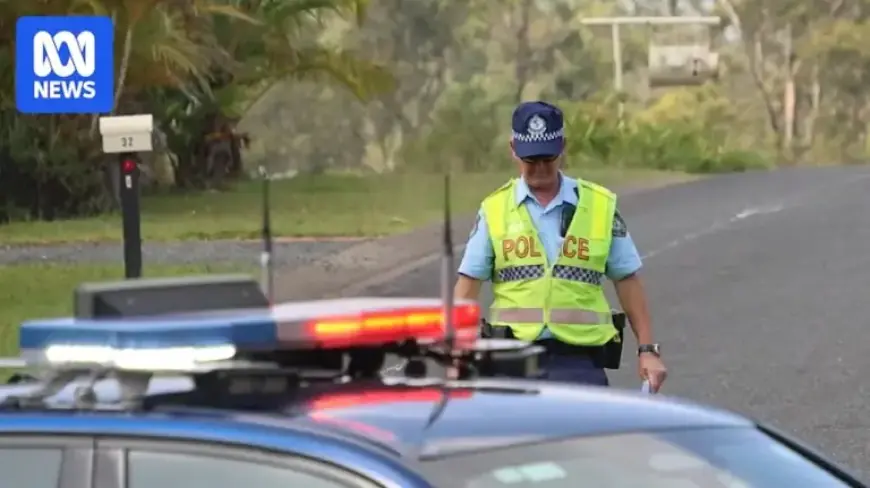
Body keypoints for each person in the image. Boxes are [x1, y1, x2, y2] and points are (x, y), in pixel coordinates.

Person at [454, 101, 668, 392]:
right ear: (513, 149)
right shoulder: (495, 209)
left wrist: (648, 350)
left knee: (584, 438)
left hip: (579, 362)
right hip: (511, 360)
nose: (540, 168)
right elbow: (468, 285)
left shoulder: (599, 205)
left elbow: (627, 279)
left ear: (563, 147)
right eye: (531, 160)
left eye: (548, 158)